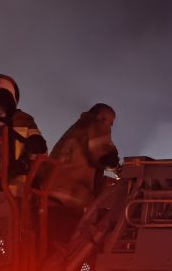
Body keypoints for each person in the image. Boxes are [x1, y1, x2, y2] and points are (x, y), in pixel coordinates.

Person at [43, 103, 119, 243]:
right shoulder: (94, 126)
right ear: (101, 117)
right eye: (110, 122)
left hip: (51, 195)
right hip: (70, 198)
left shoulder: (75, 130)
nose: (109, 127)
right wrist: (120, 171)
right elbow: (106, 155)